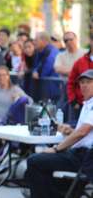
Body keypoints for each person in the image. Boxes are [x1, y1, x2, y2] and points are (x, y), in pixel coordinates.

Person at [25, 69, 93, 198]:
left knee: (34, 161)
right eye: (82, 82)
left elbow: (82, 132)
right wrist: (70, 131)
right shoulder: (87, 104)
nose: (83, 85)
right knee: (38, 162)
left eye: (88, 82)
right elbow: (83, 133)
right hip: (78, 153)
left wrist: (56, 149)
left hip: (85, 158)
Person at [67, 34, 93, 124]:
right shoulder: (80, 61)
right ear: (90, 41)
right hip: (80, 105)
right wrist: (73, 100)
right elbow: (71, 82)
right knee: (76, 131)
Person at [32, 31, 60, 102]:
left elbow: (47, 69)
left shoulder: (52, 52)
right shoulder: (39, 51)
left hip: (51, 90)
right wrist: (35, 71)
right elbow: (36, 66)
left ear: (44, 41)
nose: (34, 42)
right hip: (43, 89)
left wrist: (37, 73)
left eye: (36, 40)